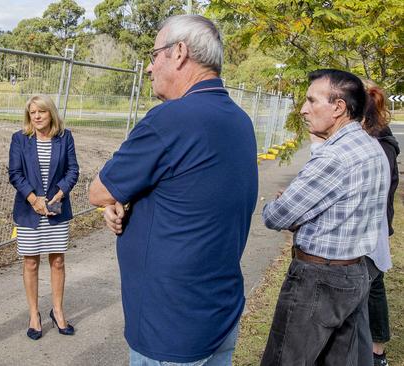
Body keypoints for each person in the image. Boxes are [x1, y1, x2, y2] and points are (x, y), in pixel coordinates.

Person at [88, 15, 258, 365]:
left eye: (154, 55)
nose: (149, 68)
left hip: (170, 328)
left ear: (179, 53)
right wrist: (130, 198)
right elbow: (191, 189)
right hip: (218, 312)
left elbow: (99, 192)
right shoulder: (240, 120)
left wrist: (119, 196)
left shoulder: (170, 118)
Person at [261, 69, 389, 365]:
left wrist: (289, 208)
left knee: (286, 359)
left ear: (339, 107)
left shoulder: (334, 156)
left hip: (318, 280)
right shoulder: (371, 146)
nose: (304, 109)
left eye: (311, 101)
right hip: (355, 273)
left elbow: (277, 216)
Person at [8, 95, 79, 340]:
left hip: (57, 208)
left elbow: (73, 170)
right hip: (30, 210)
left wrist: (58, 195)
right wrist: (34, 200)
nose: (37, 116)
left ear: (51, 114)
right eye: (33, 112)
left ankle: (57, 311)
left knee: (57, 261)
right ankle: (34, 315)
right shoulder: (20, 139)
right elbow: (15, 173)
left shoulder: (65, 137)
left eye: (42, 112)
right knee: (30, 262)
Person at [360, 81, 399, 366]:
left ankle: (376, 352)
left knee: (372, 287)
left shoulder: (379, 145)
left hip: (371, 229)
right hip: (372, 227)